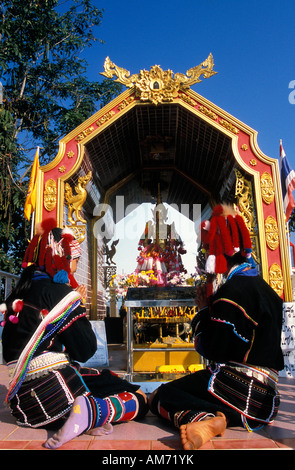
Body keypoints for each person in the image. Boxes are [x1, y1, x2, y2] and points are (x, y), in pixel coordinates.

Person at [1, 218, 148, 449]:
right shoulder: (61, 294)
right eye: (75, 260)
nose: (76, 267)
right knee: (138, 398)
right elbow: (86, 349)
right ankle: (90, 413)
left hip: (24, 408)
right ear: (63, 258)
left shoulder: (16, 295)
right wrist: (79, 305)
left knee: (108, 378)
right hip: (57, 398)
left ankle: (86, 411)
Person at [149, 204, 284, 450]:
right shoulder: (267, 292)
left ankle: (210, 421)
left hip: (236, 391)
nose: (204, 254)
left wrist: (203, 309)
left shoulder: (230, 293)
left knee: (162, 396)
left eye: (207, 248)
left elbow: (210, 349)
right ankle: (220, 419)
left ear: (217, 250)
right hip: (266, 405)